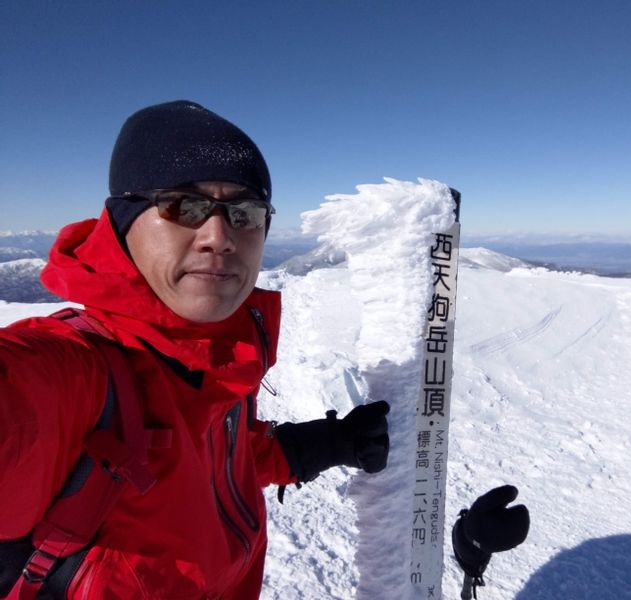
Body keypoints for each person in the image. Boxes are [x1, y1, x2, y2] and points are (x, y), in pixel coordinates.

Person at [0, 100, 390, 599]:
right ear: (122, 226)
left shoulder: (217, 356)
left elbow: (214, 451)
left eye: (245, 212)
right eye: (183, 206)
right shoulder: (71, 370)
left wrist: (318, 446)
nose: (219, 236)